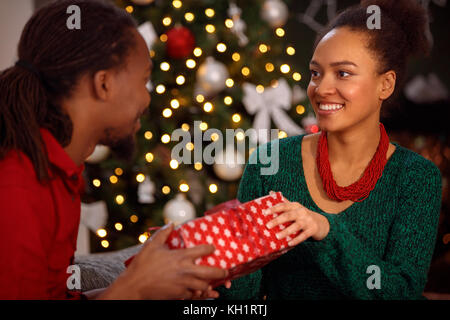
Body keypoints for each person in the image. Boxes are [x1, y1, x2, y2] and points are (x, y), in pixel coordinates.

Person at [0, 0, 229, 300]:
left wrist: (150, 289)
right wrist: (134, 287)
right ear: (104, 84)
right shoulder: (17, 188)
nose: (147, 100)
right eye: (144, 80)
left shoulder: (60, 173)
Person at [217, 0, 442, 299]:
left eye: (343, 73)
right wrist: (219, 276)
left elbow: (400, 291)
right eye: (316, 73)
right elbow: (242, 296)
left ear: (385, 85)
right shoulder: (270, 162)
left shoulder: (416, 177)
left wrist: (325, 230)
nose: (321, 89)